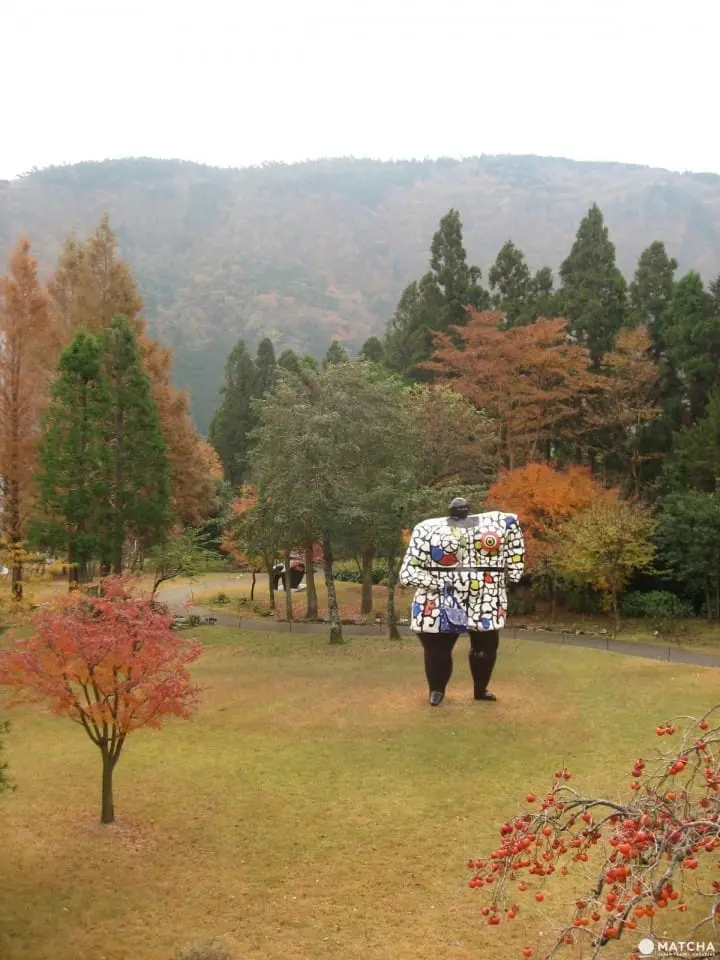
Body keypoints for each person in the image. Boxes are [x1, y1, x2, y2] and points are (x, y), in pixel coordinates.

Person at [398, 497, 525, 706]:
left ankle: (480, 689)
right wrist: (441, 583)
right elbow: (408, 572)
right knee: (437, 649)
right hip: (441, 597)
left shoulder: (504, 523)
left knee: (485, 648)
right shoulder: (426, 529)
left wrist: (513, 571)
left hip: (486, 595)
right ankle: (436, 689)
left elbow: (515, 556)